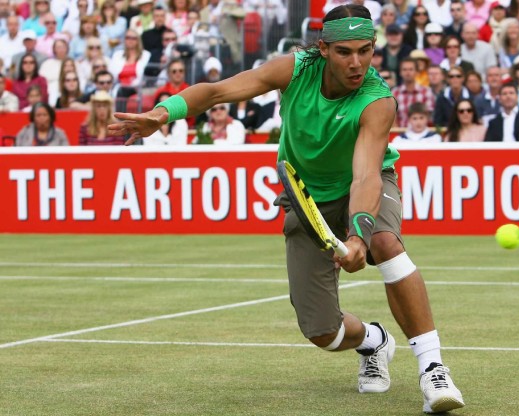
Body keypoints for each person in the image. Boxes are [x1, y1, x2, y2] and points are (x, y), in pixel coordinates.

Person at [110, 5, 465, 414]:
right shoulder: (294, 69)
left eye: (365, 51)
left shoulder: (377, 100)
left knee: (384, 242)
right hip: (308, 196)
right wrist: (161, 114)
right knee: (322, 332)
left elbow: (365, 176)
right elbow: (218, 91)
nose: (357, 63)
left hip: (365, 185)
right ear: (323, 49)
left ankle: (433, 369)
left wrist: (356, 236)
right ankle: (374, 340)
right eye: (345, 52)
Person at [391, 57, 435, 128]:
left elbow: (429, 117)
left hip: (422, 134)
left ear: (417, 72)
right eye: (404, 70)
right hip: (401, 134)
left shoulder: (426, 91)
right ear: (400, 72)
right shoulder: (395, 93)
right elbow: (392, 118)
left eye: (411, 69)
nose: (408, 72)